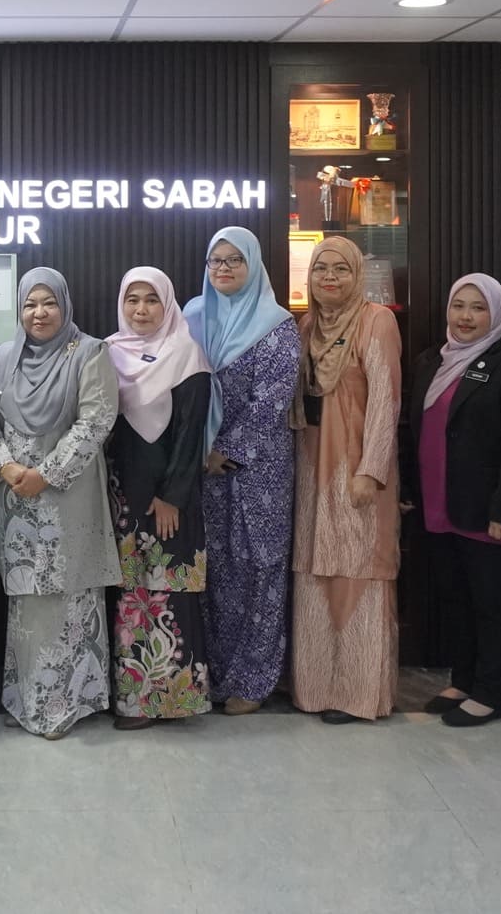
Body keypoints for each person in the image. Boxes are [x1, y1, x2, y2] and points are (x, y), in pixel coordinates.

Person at [0, 268, 121, 739]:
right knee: (27, 602)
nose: (39, 313)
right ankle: (26, 698)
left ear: (65, 305)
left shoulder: (90, 352)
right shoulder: (2, 357)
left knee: (68, 595)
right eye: (29, 304)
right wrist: (6, 467)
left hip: (68, 496)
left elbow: (96, 421)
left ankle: (67, 704)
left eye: (49, 303)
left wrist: (45, 474)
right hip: (15, 499)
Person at [406, 274, 501, 727]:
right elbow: (415, 430)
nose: (465, 317)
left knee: (494, 603)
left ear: (496, 314)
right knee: (456, 599)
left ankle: (491, 691)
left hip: (491, 513)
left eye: (478, 308)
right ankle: (463, 680)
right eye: (459, 306)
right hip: (440, 504)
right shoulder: (432, 360)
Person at [184, 226, 299, 715]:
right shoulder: (192, 317)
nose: (224, 268)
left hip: (258, 471)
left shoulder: (277, 325)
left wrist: (225, 449)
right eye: (216, 260)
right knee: (214, 574)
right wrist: (196, 451)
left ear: (253, 265)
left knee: (259, 570)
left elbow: (272, 399)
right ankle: (215, 676)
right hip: (200, 468)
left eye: (235, 260)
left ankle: (253, 680)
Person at [290, 236, 404, 724]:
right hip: (311, 467)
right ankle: (315, 689)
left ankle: (358, 694)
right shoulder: (307, 326)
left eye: (341, 269)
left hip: (356, 471)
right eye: (321, 269)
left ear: (357, 275)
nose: (330, 278)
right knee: (316, 570)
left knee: (358, 571)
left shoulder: (376, 321)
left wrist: (370, 471)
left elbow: (385, 401)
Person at [104, 267, 212, 728]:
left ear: (167, 304)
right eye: (133, 300)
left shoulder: (186, 353)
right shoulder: (108, 353)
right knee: (131, 597)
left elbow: (191, 434)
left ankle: (172, 700)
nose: (141, 309)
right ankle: (134, 701)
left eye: (152, 300)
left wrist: (172, 496)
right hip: (121, 497)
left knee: (169, 593)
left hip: (169, 500)